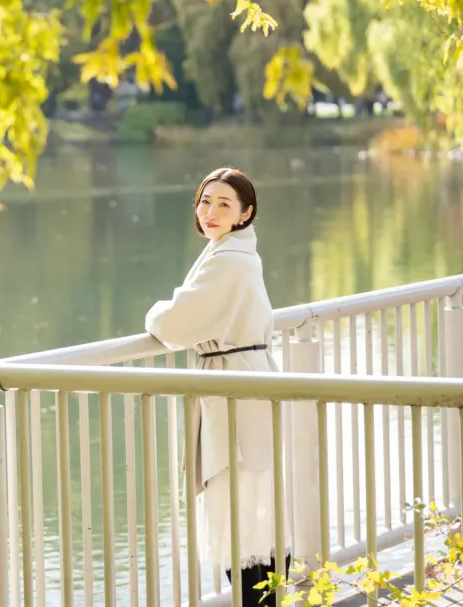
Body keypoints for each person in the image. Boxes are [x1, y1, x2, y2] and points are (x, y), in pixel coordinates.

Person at [144, 167, 290, 607]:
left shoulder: (229, 260)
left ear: (246, 213)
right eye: (205, 201)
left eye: (224, 204)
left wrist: (155, 312)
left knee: (239, 516)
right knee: (256, 514)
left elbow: (175, 323)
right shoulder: (233, 252)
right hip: (244, 381)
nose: (210, 211)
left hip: (235, 389)